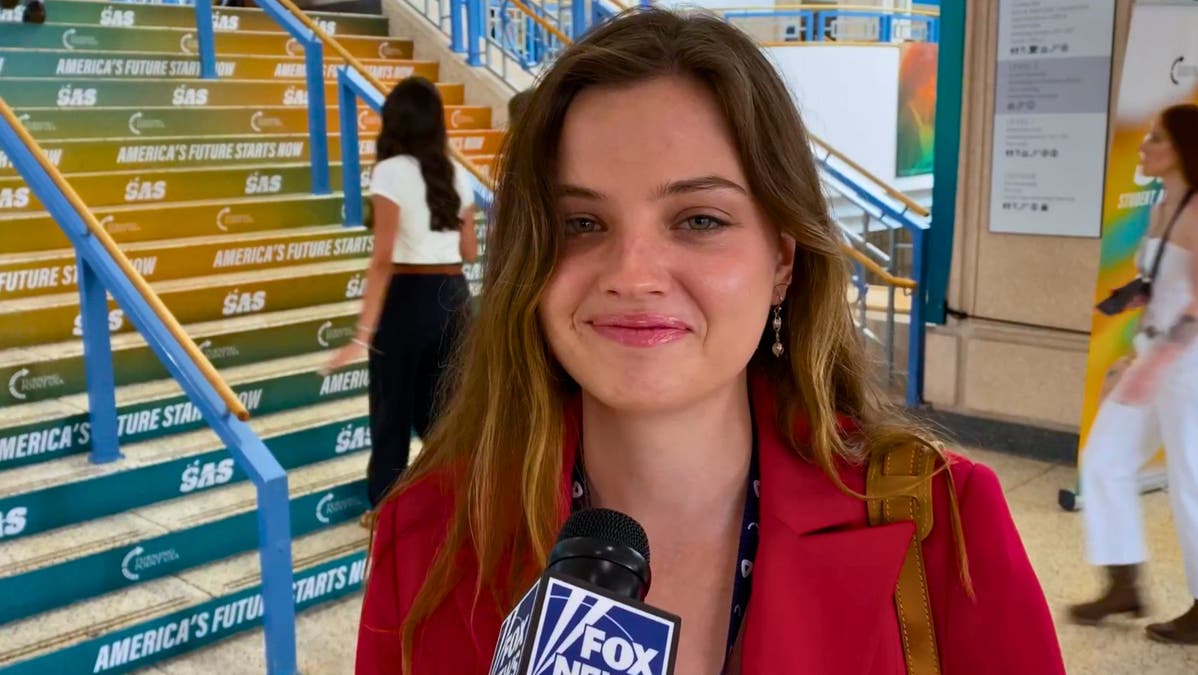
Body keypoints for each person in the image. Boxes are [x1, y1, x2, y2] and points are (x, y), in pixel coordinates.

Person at [357, 9, 1064, 674]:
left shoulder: (941, 521)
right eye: (580, 224)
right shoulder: (426, 537)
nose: (632, 275)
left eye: (698, 219)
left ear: (783, 259)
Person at [1070, 103, 1198, 644]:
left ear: (1182, 150)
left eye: (1155, 139)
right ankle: (1124, 582)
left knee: (1193, 481)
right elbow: (1161, 285)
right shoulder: (1161, 206)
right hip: (1157, 355)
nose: (1143, 147)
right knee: (1104, 459)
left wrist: (1157, 365)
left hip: (1189, 365)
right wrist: (1131, 305)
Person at [323, 76, 477, 508]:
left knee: (391, 410)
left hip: (409, 297)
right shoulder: (456, 172)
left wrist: (362, 332)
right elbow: (469, 250)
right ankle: (456, 493)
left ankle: (386, 507)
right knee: (443, 410)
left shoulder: (391, 171)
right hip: (455, 297)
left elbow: (382, 258)